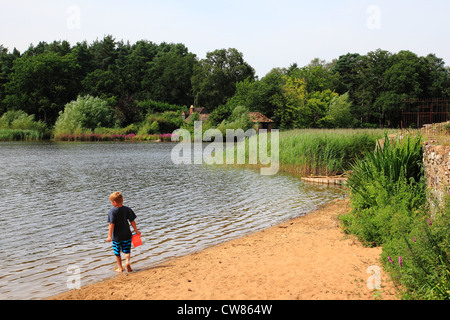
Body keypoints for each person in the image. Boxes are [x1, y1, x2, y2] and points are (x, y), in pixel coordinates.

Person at [106, 191, 141, 273]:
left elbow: (111, 224)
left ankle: (120, 268)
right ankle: (127, 262)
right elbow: (132, 221)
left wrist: (109, 236)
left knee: (117, 252)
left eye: (111, 202)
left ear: (114, 202)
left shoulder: (112, 211)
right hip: (127, 235)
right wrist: (136, 231)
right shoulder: (127, 209)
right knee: (127, 250)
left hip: (116, 237)